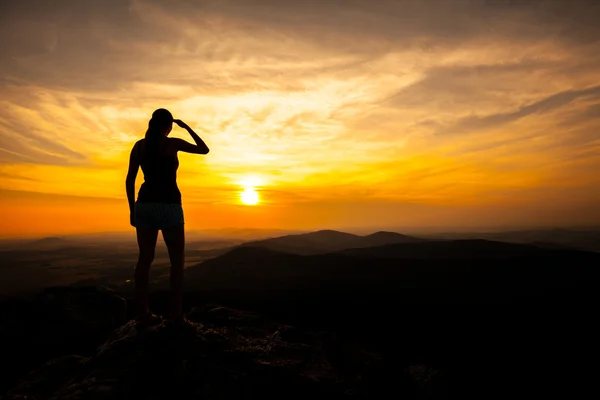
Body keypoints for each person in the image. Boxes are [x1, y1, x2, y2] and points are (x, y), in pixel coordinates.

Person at [125, 108, 209, 324]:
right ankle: (175, 314)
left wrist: (132, 210)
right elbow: (204, 149)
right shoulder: (172, 143)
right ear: (168, 125)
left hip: (143, 205)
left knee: (144, 259)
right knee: (177, 261)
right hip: (169, 205)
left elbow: (129, 180)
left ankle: (142, 313)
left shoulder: (139, 146)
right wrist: (187, 126)